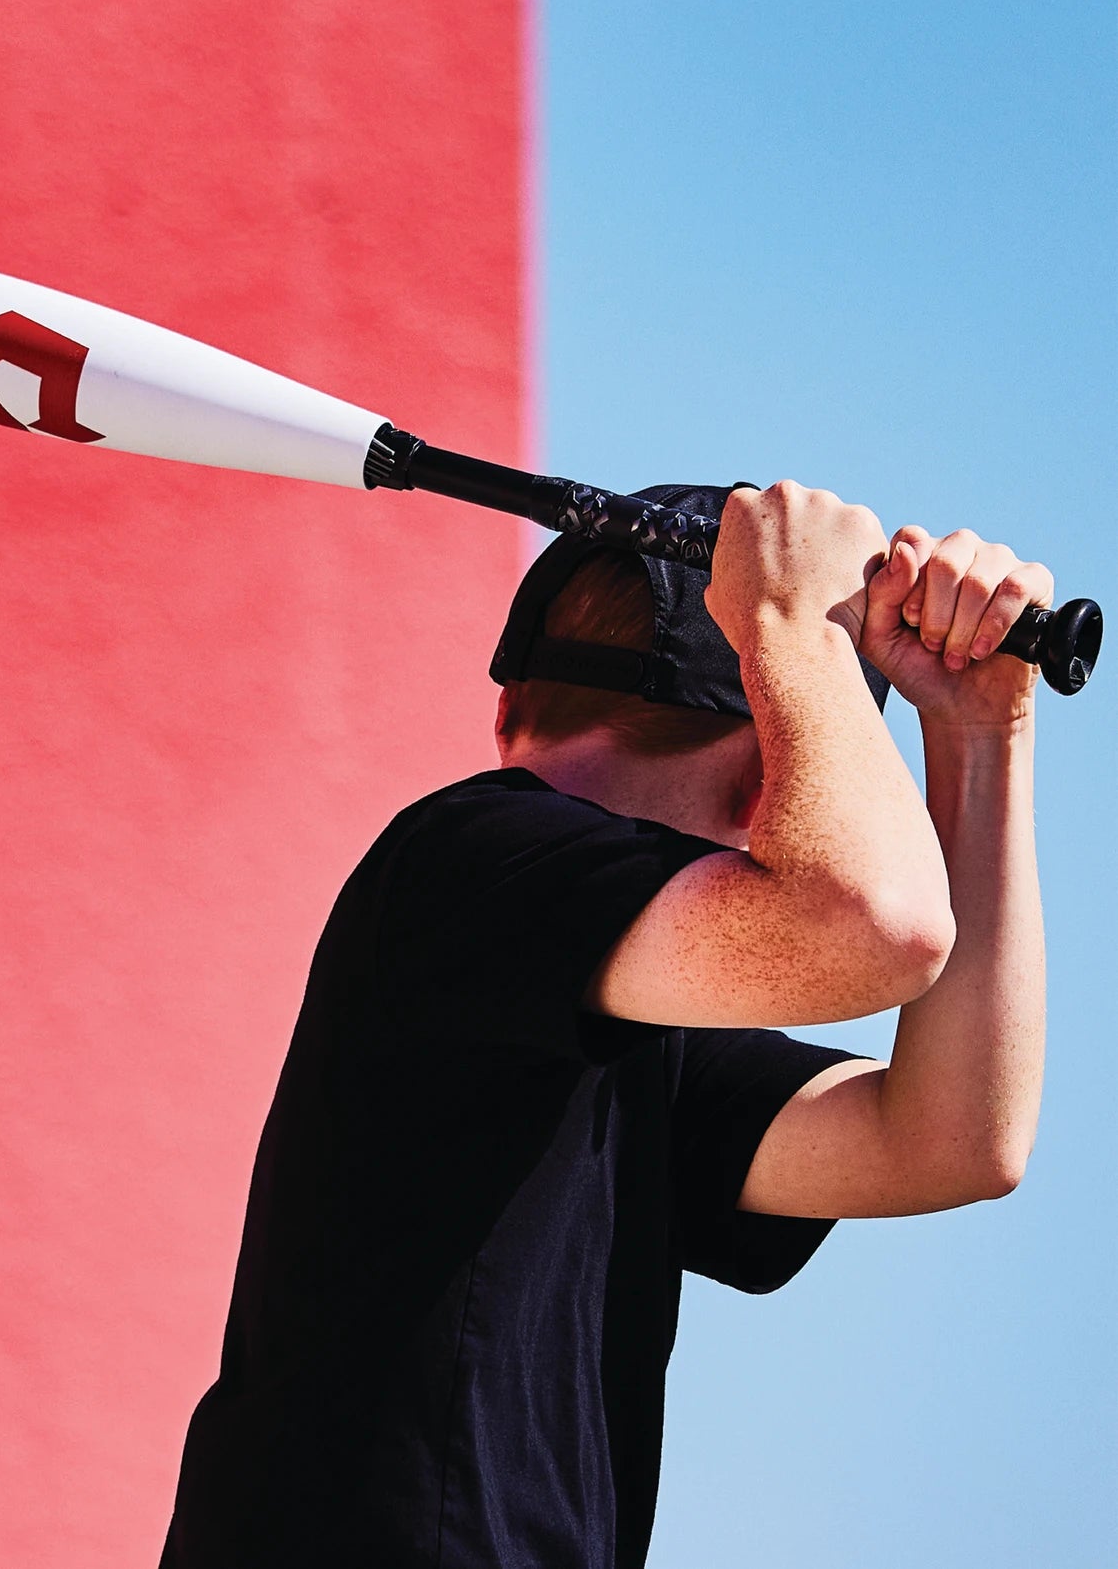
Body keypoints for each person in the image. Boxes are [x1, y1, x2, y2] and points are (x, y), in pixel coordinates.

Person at [159, 480, 1047, 1568]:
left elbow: (950, 1142)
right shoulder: (466, 857)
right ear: (772, 775)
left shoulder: (624, 994)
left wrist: (979, 738)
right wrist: (793, 632)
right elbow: (876, 929)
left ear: (507, 708)